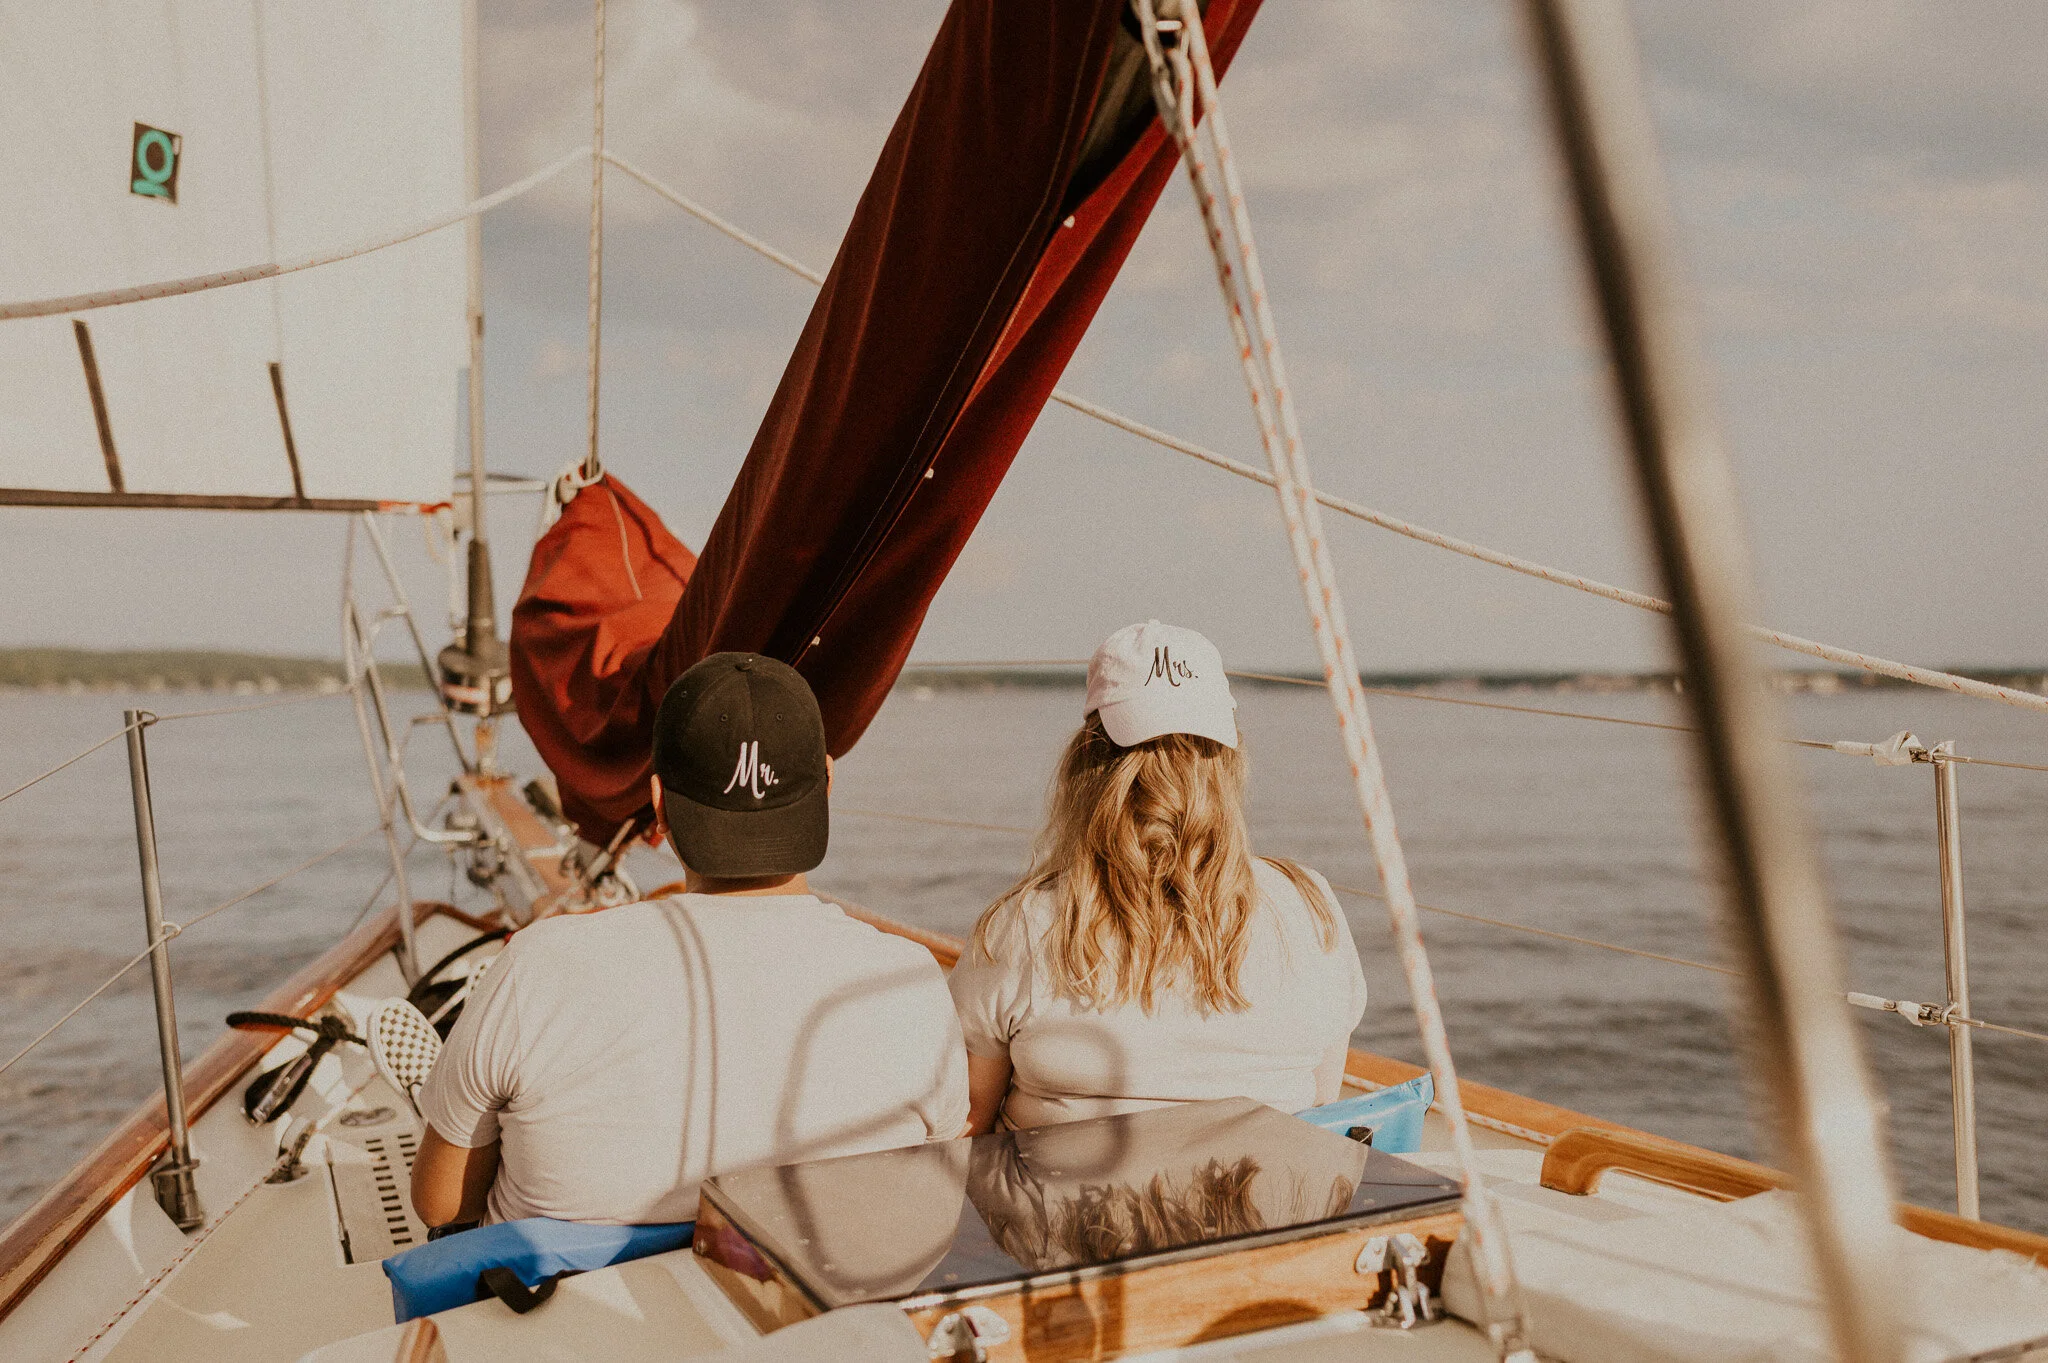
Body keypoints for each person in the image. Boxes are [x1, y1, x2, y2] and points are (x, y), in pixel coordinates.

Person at [411, 653, 970, 1228]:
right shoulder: (912, 978)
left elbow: (439, 1203)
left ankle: (445, 1096)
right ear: (826, 783)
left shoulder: (536, 965)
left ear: (658, 803)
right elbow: (939, 1178)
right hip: (811, 1298)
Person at [949, 621, 1366, 1135]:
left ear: (1086, 761)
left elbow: (968, 1120)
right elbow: (1321, 1104)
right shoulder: (1310, 908)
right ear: (1230, 757)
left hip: (1068, 1212)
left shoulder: (1024, 924)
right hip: (1272, 1208)